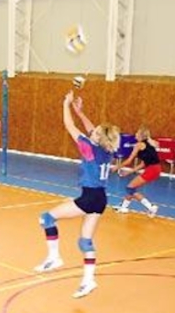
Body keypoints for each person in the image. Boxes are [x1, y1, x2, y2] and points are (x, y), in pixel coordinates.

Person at [34, 92, 120, 299]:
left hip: (88, 198)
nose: (92, 130)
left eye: (95, 131)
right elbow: (91, 129)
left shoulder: (89, 148)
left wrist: (66, 104)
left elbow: (69, 126)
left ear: (97, 137)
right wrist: (80, 112)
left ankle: (54, 257)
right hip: (101, 199)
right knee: (85, 242)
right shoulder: (106, 149)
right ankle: (88, 281)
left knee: (46, 218)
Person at [112, 126, 161, 217]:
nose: (135, 134)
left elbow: (129, 160)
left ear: (141, 135)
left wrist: (116, 167)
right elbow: (143, 164)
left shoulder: (139, 145)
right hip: (155, 169)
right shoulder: (148, 145)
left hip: (152, 169)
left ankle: (151, 207)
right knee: (132, 187)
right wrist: (129, 172)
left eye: (137, 133)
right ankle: (123, 207)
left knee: (130, 188)